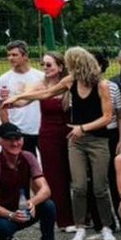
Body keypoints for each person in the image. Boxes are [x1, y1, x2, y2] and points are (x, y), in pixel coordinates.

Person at [3, 47, 116, 240]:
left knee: (100, 187)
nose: (69, 69)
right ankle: (79, 227)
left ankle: (107, 226)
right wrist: (18, 98)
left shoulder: (102, 85)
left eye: (71, 64)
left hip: (97, 140)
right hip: (76, 140)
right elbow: (47, 93)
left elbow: (107, 117)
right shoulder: (70, 81)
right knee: (79, 186)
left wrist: (83, 127)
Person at [0, 123, 72, 240]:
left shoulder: (28, 157)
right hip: (3, 215)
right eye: (10, 139)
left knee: (48, 205)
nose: (15, 143)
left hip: (20, 211)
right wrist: (11, 215)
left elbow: (45, 190)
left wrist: (32, 202)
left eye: (18, 139)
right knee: (2, 226)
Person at [32, 52, 73, 230]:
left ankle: (84, 216)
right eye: (43, 64)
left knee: (76, 176)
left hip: (70, 133)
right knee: (55, 177)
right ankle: (64, 219)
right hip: (48, 136)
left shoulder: (69, 84)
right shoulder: (40, 85)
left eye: (49, 64)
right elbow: (25, 98)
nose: (45, 68)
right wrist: (11, 99)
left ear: (60, 67)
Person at [0, 40, 43, 154]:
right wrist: (8, 129)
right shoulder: (4, 79)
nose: (10, 58)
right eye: (8, 55)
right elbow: (2, 107)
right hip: (19, 131)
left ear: (25, 56)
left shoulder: (40, 76)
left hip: (41, 128)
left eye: (14, 55)